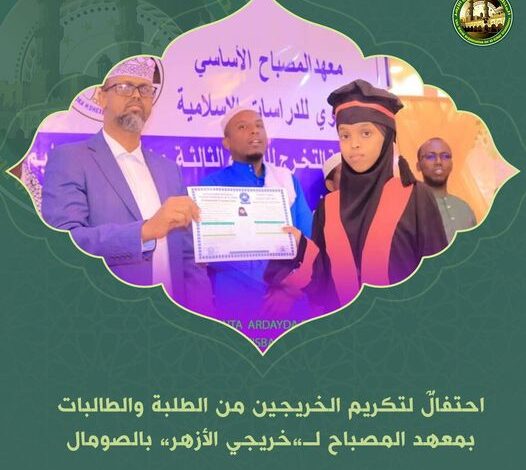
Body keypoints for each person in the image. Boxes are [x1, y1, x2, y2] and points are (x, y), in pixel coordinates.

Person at [41, 57, 213, 313]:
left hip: (174, 321)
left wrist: (202, 317)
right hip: (110, 318)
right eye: (124, 87)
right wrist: (144, 231)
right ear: (101, 97)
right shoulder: (71, 159)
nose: (136, 95)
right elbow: (63, 245)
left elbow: (188, 258)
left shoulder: (169, 169)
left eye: (145, 89)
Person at [267, 79, 448, 313]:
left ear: (387, 138)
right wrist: (301, 248)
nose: (354, 145)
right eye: (345, 135)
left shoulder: (414, 197)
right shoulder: (329, 207)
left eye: (366, 133)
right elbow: (323, 281)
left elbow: (438, 276)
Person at [200, 107, 313, 319]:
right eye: (242, 127)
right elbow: (211, 251)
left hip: (288, 306)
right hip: (236, 303)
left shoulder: (287, 181)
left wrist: (290, 290)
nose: (254, 131)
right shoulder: (212, 185)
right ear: (227, 143)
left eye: (259, 125)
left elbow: (311, 243)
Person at [417, 137, 477, 243]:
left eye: (445, 156)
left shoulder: (465, 208)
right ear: (418, 166)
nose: (438, 162)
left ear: (451, 165)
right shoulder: (411, 209)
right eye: (430, 156)